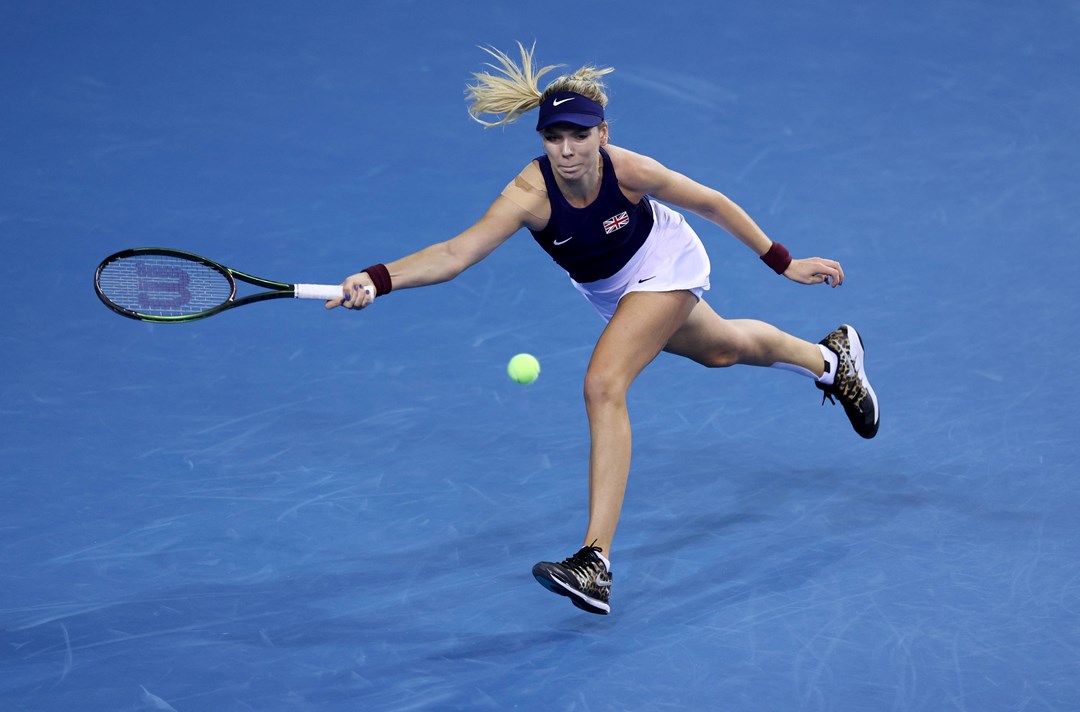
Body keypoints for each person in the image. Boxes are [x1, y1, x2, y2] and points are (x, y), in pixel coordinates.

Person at [327, 43, 879, 615]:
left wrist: (783, 262)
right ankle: (834, 361)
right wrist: (377, 278)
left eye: (579, 136)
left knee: (603, 384)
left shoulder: (630, 171)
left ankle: (595, 561)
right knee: (722, 350)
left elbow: (712, 203)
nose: (566, 151)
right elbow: (454, 254)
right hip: (611, 290)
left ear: (602, 134)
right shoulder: (529, 194)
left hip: (665, 260)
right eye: (553, 138)